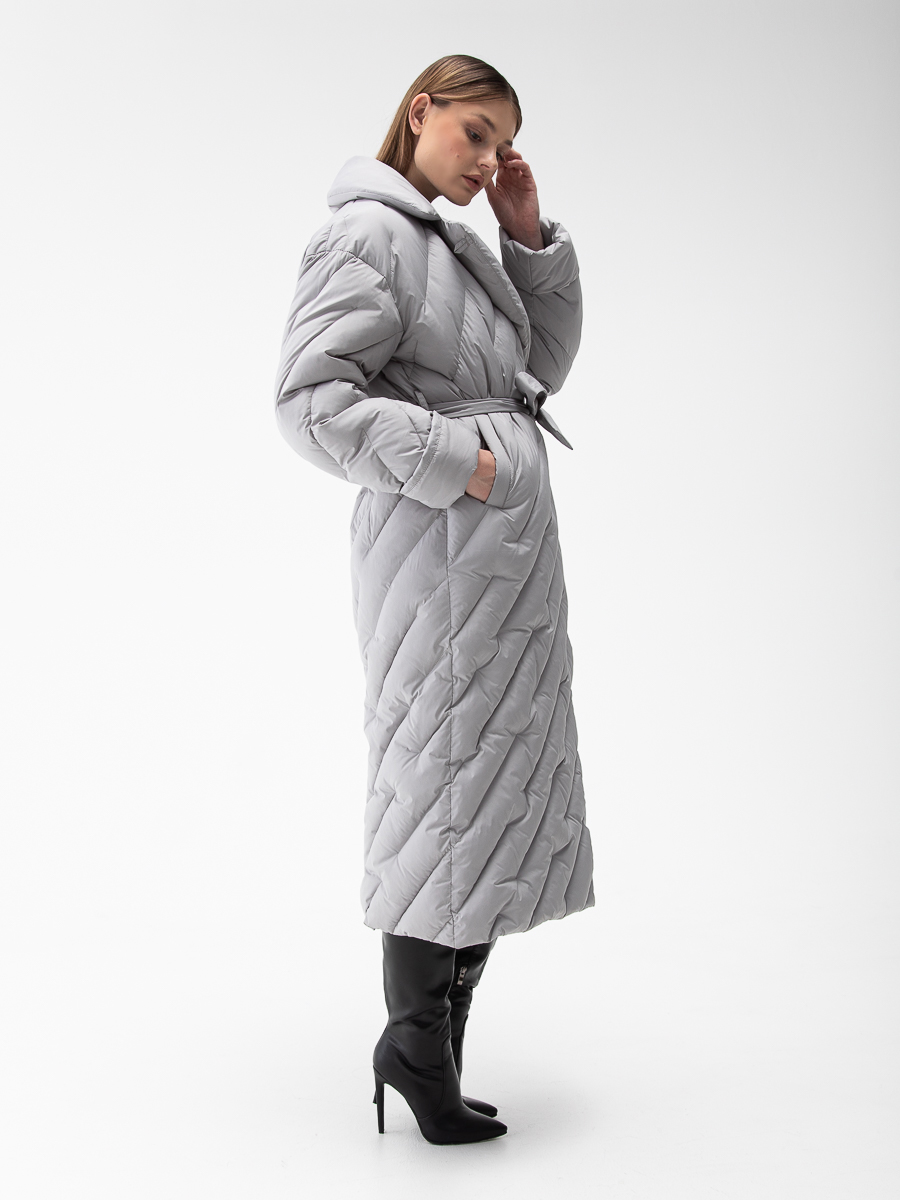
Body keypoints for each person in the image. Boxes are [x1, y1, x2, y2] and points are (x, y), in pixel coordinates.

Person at [273, 54, 595, 1145]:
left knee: (488, 794)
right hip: (440, 554)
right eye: (475, 131)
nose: (489, 157)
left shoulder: (448, 240)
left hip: (496, 560)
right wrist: (466, 465)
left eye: (504, 141)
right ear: (421, 113)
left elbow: (537, 368)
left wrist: (527, 236)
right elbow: (309, 404)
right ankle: (415, 1046)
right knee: (441, 791)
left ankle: (433, 1050)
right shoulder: (367, 236)